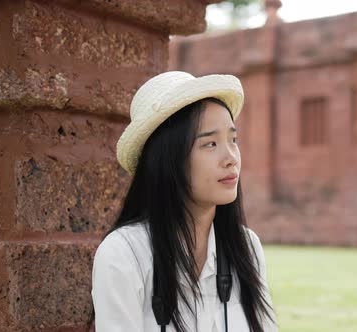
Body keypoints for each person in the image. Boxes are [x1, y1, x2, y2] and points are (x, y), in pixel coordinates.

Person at [91, 71, 277, 332]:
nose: (231, 157)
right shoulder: (124, 255)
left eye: (233, 140)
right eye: (210, 144)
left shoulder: (247, 247)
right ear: (168, 159)